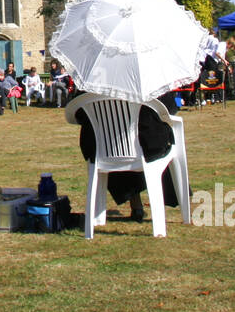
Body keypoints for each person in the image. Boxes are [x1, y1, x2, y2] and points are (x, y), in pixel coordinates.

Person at [75, 91, 184, 222]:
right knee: (143, 142)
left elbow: (78, 114)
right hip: (146, 146)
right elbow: (169, 109)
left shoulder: (93, 85)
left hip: (102, 148)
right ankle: (175, 200)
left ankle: (136, 204)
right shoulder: (148, 81)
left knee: (118, 142)